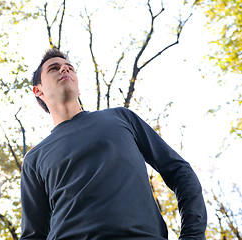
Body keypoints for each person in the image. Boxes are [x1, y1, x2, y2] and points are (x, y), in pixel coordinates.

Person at [20, 48, 207, 239]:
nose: (64, 70)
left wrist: (192, 235)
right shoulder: (34, 159)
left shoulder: (121, 117)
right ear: (38, 90)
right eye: (54, 68)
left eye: (70, 68)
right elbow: (33, 235)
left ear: (78, 86)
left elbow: (179, 170)